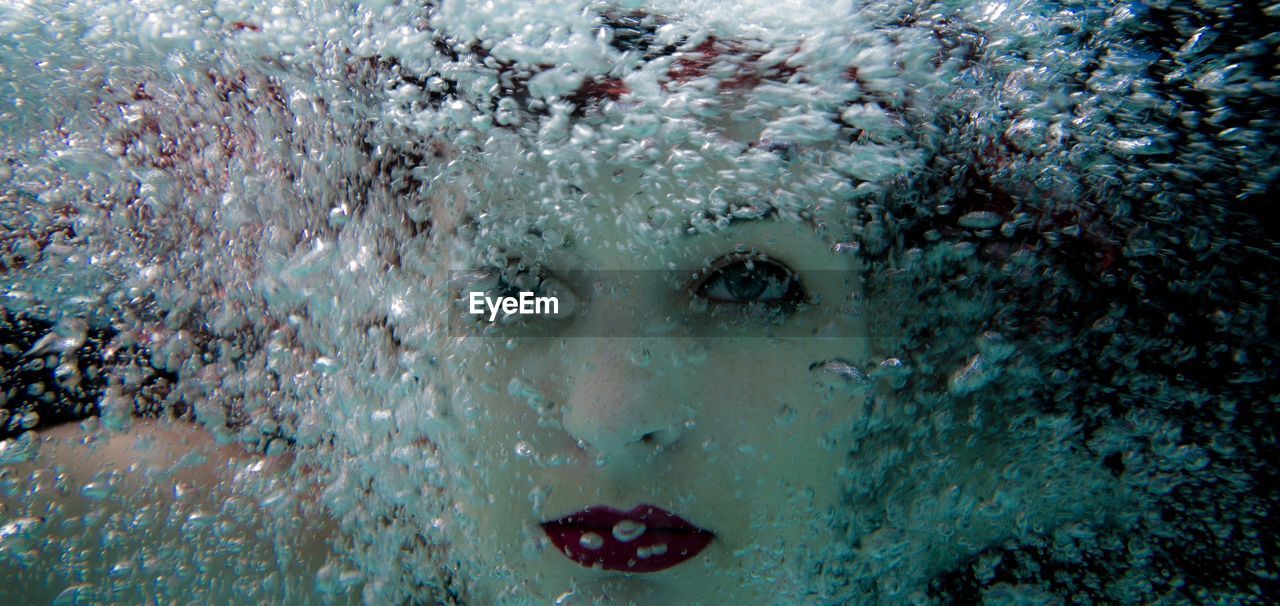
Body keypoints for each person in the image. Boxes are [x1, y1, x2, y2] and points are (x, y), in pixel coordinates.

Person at [3, 2, 1277, 604]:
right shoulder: (197, 542)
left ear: (908, 336)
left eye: (748, 285)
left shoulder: (1092, 480)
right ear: (383, 322)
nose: (616, 425)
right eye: (512, 288)